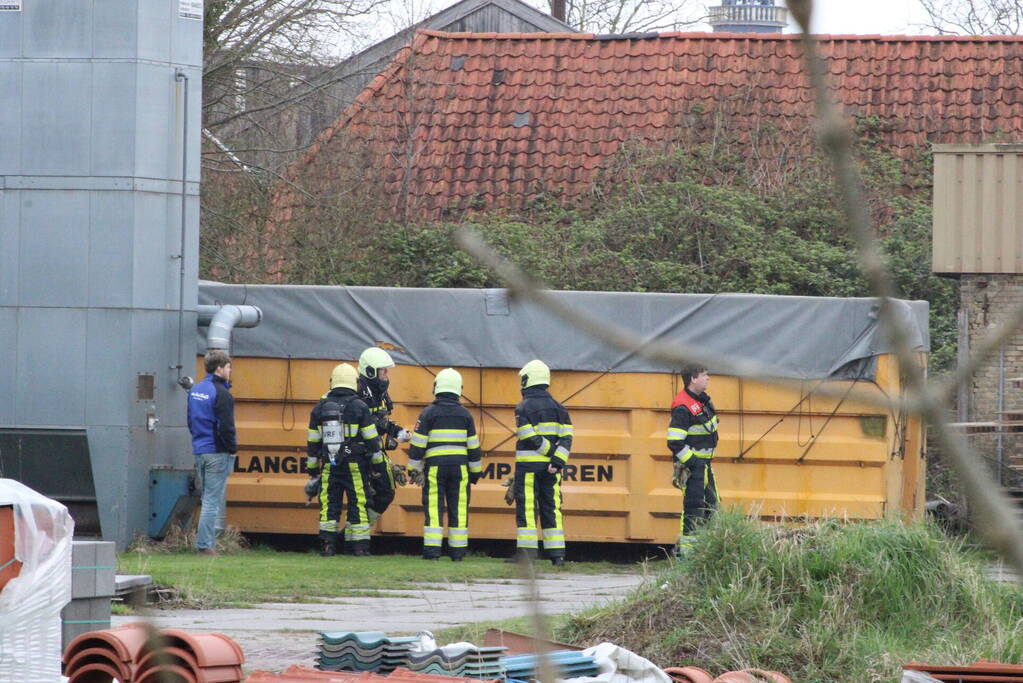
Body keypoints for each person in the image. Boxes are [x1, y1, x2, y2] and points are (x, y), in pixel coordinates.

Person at [306, 363, 382, 557]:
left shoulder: (320, 407)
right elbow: (371, 439)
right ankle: (359, 547)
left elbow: (313, 442)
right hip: (356, 464)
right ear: (354, 382)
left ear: (332, 382)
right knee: (358, 503)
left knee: (330, 504)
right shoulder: (360, 406)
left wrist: (313, 470)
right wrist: (377, 464)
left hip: (330, 463)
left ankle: (327, 545)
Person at [406, 368, 482, 561]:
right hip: (460, 468)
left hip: (435, 467)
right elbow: (473, 447)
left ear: (436, 387)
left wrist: (413, 469)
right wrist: (475, 473)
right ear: (459, 389)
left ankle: (432, 552)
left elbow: (418, 445)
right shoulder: (466, 415)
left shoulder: (428, 413)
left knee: (433, 506)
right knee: (459, 507)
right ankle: (458, 553)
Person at [511, 360, 573, 566]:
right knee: (552, 507)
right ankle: (557, 556)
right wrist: (557, 460)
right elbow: (567, 438)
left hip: (528, 467)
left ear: (528, 379)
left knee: (528, 509)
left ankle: (527, 556)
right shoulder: (560, 408)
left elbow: (527, 435)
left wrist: (550, 452)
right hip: (552, 469)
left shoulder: (523, 406)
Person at [187, 350, 238, 556]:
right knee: (211, 501)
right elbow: (226, 427)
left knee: (206, 497)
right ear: (219, 368)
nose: (230, 371)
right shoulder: (223, 394)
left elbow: (190, 420)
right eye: (228, 367)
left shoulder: (196, 390)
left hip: (200, 449)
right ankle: (205, 546)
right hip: (217, 451)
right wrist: (232, 448)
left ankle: (204, 543)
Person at [667, 364, 720, 554]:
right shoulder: (683, 407)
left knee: (711, 508)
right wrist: (694, 463)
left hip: (704, 466)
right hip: (693, 468)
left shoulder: (701, 401)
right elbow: (674, 442)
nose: (708, 378)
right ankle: (687, 556)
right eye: (705, 375)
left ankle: (705, 552)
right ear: (693, 379)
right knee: (693, 510)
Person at [356, 347, 411, 526]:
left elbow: (381, 420)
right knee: (363, 495)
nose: (387, 374)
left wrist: (398, 432)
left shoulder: (378, 392)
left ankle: (359, 531)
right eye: (383, 370)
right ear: (370, 371)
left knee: (386, 492)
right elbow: (365, 422)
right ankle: (354, 537)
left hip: (375, 450)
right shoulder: (359, 391)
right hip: (359, 452)